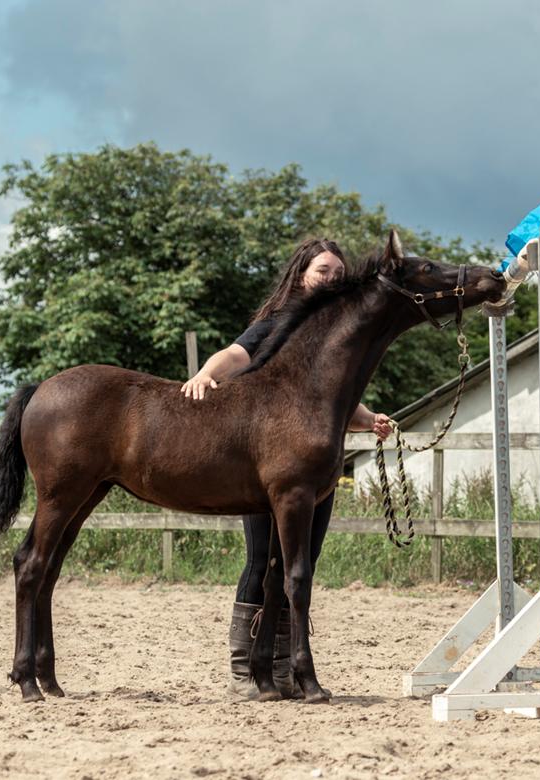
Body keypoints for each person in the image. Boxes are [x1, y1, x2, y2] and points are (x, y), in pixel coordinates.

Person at [180, 237, 392, 697]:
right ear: (302, 275)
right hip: (270, 463)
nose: (331, 279)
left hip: (316, 465)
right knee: (263, 561)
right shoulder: (279, 323)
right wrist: (205, 375)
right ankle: (244, 668)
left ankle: (279, 666)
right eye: (322, 270)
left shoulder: (337, 333)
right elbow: (237, 354)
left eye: (338, 272)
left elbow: (333, 402)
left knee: (302, 563)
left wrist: (366, 418)